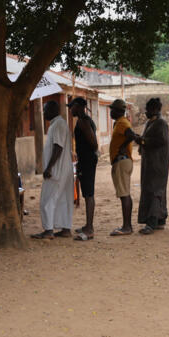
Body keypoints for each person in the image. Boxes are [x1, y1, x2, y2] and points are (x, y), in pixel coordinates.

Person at [31, 100, 74, 239]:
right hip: (62, 169)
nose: (44, 113)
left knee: (47, 199)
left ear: (53, 110)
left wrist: (49, 167)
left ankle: (48, 230)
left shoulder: (58, 125)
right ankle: (65, 228)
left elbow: (58, 147)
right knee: (62, 199)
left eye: (45, 110)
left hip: (57, 169)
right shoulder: (57, 124)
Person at [137, 98, 169, 235]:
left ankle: (152, 222)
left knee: (155, 191)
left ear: (156, 109)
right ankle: (160, 220)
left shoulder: (161, 123)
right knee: (153, 190)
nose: (146, 112)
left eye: (149, 109)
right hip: (150, 163)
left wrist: (142, 141)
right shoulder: (151, 123)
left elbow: (160, 140)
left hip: (158, 164)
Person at [108, 99, 139, 236]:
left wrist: (121, 148)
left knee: (124, 194)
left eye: (113, 109)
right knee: (124, 193)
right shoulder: (120, 123)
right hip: (121, 161)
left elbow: (131, 136)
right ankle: (126, 225)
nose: (111, 112)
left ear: (119, 111)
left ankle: (127, 226)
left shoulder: (122, 122)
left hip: (122, 161)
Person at [70, 97, 99, 241]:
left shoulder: (83, 121)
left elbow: (94, 143)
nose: (70, 110)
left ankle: (89, 229)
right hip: (87, 160)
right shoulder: (85, 120)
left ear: (78, 106)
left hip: (87, 161)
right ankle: (87, 225)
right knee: (87, 193)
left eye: (72, 107)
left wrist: (85, 156)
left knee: (88, 194)